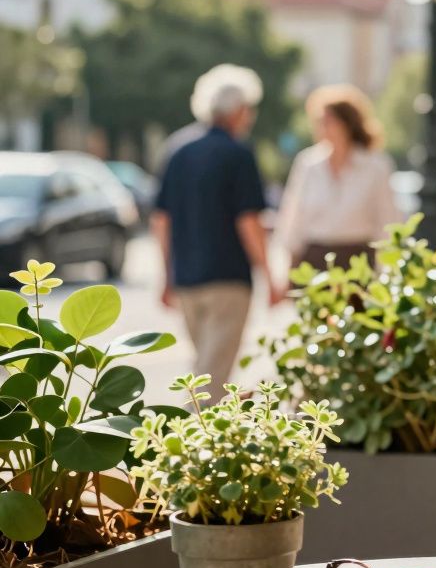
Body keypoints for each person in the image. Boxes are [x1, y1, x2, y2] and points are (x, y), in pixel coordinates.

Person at [153, 65, 283, 398]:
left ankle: (200, 441)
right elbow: (249, 221)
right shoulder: (238, 153)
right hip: (228, 280)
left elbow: (161, 220)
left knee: (205, 369)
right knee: (211, 376)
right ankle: (183, 444)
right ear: (239, 110)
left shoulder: (177, 149)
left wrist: (166, 276)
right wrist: (269, 275)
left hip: (187, 280)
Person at [274, 84, 399, 271]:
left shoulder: (375, 166)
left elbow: (387, 220)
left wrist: (386, 270)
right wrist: (288, 268)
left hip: (357, 262)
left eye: (328, 121)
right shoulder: (308, 163)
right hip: (315, 260)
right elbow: (293, 218)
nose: (321, 127)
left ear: (347, 123)